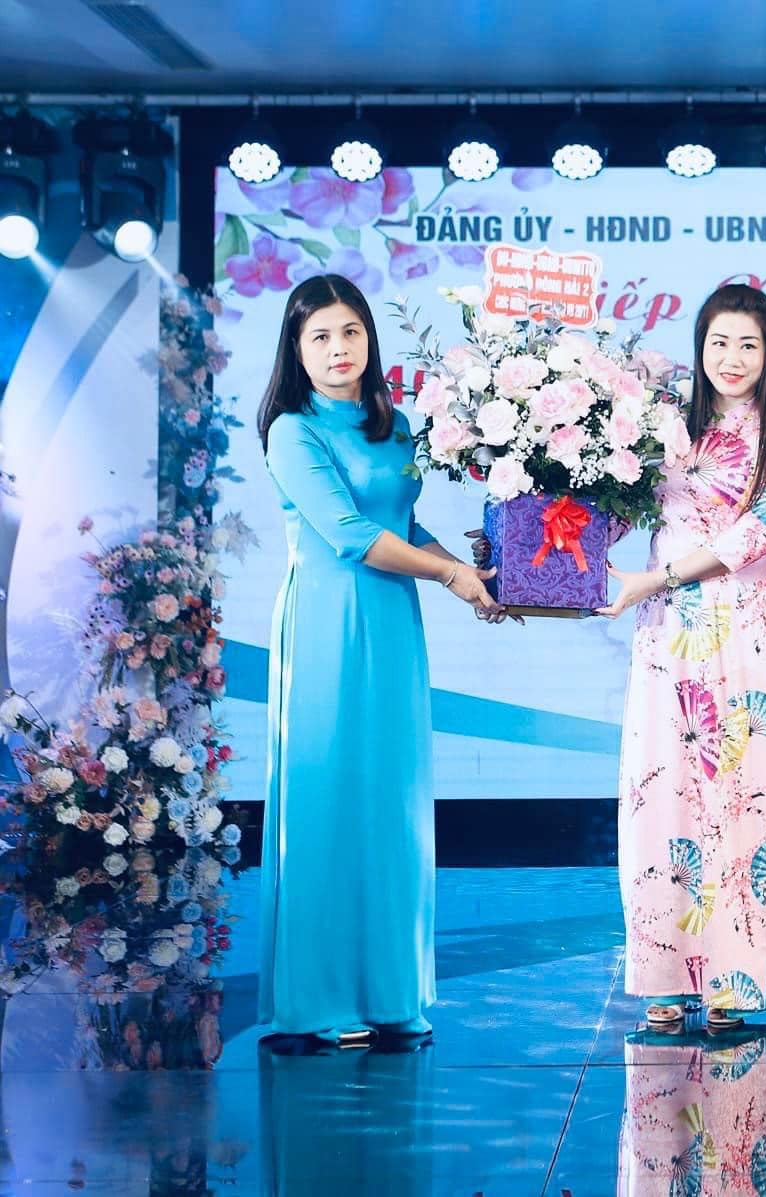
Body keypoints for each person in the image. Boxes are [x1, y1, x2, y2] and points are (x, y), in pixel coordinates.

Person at [256, 274, 502, 1043]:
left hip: (393, 622)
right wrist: (448, 575)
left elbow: (401, 522)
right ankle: (320, 1002)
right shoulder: (292, 431)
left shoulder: (394, 427)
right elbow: (350, 534)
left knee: (393, 803)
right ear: (297, 349)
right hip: (327, 626)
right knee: (328, 801)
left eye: (350, 332)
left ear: (370, 337)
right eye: (321, 336)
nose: (339, 348)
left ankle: (392, 996)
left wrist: (477, 574)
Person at [597, 284, 766, 1030]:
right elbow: (617, 503)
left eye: (749, 344)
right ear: (700, 346)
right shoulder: (662, 425)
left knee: (739, 795)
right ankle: (664, 973)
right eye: (720, 342)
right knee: (662, 791)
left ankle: (734, 980)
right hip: (666, 628)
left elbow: (759, 531)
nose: (732, 358)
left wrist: (659, 577)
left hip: (743, 620)